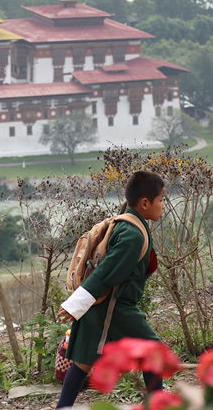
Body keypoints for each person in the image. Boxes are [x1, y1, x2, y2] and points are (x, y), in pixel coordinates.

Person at [55, 170, 166, 409]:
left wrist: (80, 302)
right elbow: (106, 272)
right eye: (161, 200)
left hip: (102, 304)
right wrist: (76, 303)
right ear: (144, 203)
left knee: (84, 362)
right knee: (153, 352)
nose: (163, 206)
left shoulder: (127, 223)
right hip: (113, 305)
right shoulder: (132, 234)